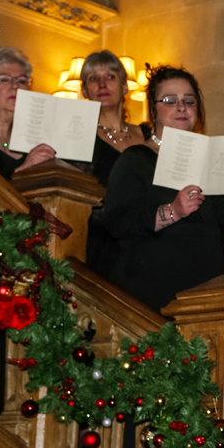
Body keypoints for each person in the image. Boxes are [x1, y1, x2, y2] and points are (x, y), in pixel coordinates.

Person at [104, 66, 224, 311]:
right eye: (170, 101)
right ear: (154, 110)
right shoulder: (135, 159)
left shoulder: (213, 161)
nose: (181, 107)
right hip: (154, 292)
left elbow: (223, 222)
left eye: (189, 101)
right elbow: (117, 222)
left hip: (210, 294)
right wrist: (172, 211)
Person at [78, 50, 151, 278]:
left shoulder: (151, 133)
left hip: (150, 237)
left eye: (110, 76)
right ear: (84, 91)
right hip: (103, 244)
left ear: (125, 86)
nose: (102, 84)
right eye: (93, 78)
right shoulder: (79, 137)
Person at [0, 48, 55, 179]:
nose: (15, 86)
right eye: (4, 79)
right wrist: (24, 169)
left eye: (21, 81)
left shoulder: (34, 136)